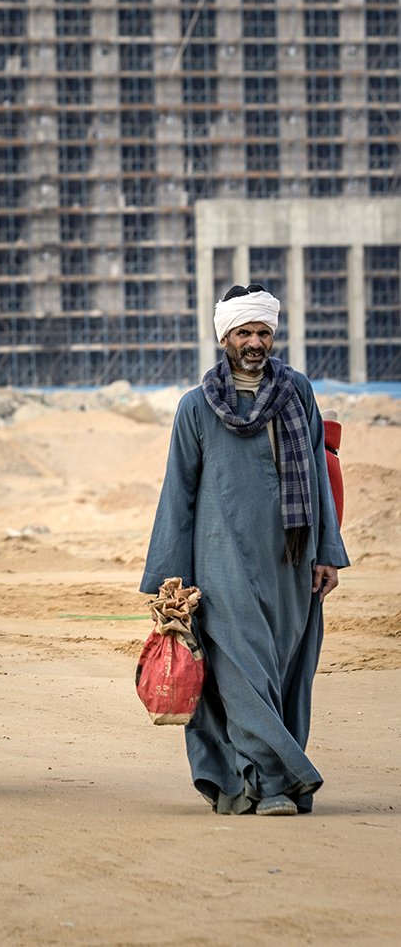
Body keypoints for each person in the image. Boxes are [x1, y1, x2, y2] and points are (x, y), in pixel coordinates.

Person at [141, 283, 349, 816]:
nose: (254, 342)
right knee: (240, 674)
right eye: (243, 332)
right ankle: (279, 783)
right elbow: (178, 494)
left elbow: (320, 478)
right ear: (224, 337)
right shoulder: (196, 407)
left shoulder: (298, 393)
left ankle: (256, 780)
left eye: (262, 332)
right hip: (221, 565)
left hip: (291, 562)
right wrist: (170, 579)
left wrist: (327, 551)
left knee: (284, 672)